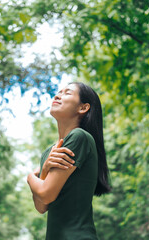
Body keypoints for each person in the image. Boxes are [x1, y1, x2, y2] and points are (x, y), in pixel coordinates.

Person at [27, 82, 110, 239]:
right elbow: (41, 206)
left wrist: (30, 176)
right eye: (58, 92)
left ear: (83, 108)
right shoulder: (49, 153)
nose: (57, 95)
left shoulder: (79, 137)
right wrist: (44, 170)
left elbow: (45, 194)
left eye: (67, 93)